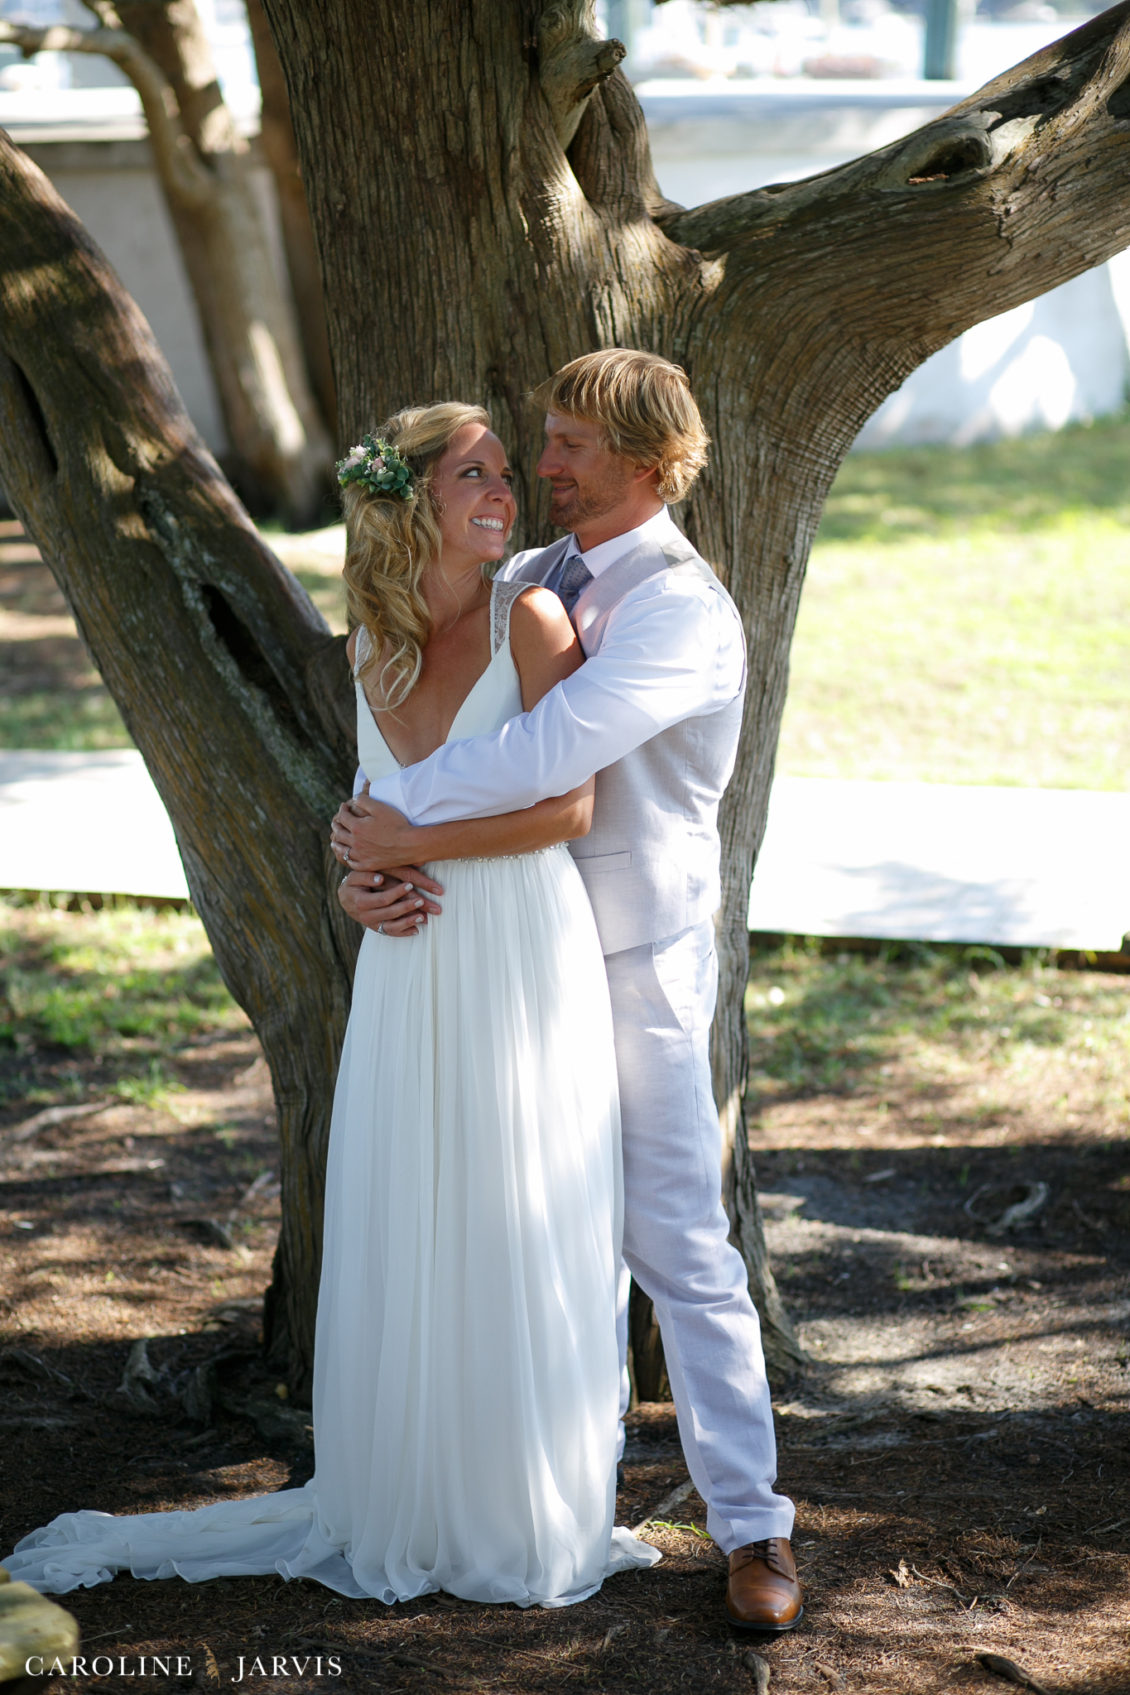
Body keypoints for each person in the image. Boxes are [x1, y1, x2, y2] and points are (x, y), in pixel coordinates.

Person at [2, 403, 660, 1608]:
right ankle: (416, 1490)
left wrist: (410, 836)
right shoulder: (375, 641)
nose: (503, 492)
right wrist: (360, 875)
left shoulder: (534, 615)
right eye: (475, 474)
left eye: (506, 473)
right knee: (421, 1200)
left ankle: (517, 1503)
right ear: (413, 498)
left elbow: (570, 811)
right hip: (410, 958)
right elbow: (366, 805)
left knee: (519, 1202)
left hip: (519, 942)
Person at [332, 350, 803, 1633]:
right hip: (502, 953)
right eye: (534, 443)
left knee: (669, 1240)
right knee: (531, 1233)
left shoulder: (683, 614)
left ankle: (753, 1527)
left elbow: (545, 758)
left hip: (632, 960)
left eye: (569, 446)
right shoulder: (532, 579)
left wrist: (384, 829)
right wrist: (360, 857)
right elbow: (436, 711)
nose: (541, 470)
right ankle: (547, 1501)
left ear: (648, 465)